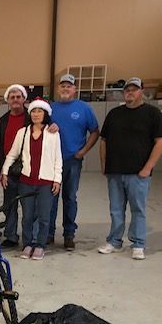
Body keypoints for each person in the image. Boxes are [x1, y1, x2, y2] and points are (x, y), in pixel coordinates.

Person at [97, 77, 162, 260]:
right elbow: (103, 140)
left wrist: (148, 168)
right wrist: (104, 164)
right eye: (127, 90)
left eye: (134, 89)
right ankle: (114, 241)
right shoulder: (114, 114)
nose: (130, 92)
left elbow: (161, 141)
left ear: (141, 91)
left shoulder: (152, 114)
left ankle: (138, 243)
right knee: (116, 209)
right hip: (115, 171)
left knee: (138, 209)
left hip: (139, 173)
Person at [2, 98, 62, 261]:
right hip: (26, 182)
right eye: (33, 111)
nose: (36, 114)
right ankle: (28, 244)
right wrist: (5, 172)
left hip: (46, 182)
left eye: (39, 111)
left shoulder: (53, 133)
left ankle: (40, 245)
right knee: (27, 215)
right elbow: (12, 154)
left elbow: (58, 158)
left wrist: (57, 179)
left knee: (44, 216)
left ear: (45, 114)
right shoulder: (23, 132)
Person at [48, 74, 100, 251]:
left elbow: (94, 131)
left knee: (70, 197)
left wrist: (83, 151)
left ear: (74, 89)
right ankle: (48, 233)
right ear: (58, 89)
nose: (65, 89)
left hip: (72, 161)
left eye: (69, 86)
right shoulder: (50, 108)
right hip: (51, 162)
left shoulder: (83, 108)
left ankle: (69, 235)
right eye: (62, 86)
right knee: (51, 198)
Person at [0, 84, 29, 248]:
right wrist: (2, 170)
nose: (15, 100)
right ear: (7, 100)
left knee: (29, 206)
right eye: (12, 97)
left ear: (24, 99)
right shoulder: (2, 121)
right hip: (9, 168)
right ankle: (11, 235)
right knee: (10, 204)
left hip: (29, 170)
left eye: (18, 97)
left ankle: (30, 237)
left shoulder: (33, 117)